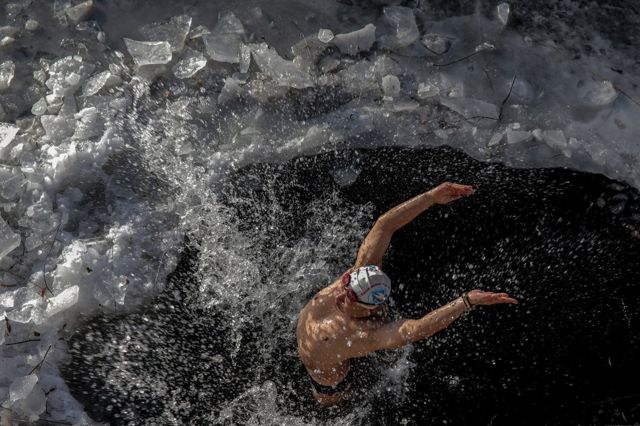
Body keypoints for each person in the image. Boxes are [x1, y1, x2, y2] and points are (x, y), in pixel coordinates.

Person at [296, 182, 519, 406]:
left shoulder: (364, 334)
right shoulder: (361, 271)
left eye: (351, 297)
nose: (339, 295)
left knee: (330, 398)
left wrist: (467, 301)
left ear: (369, 308)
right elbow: (385, 225)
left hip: (327, 374)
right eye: (346, 283)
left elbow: (417, 329)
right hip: (316, 354)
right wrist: (431, 196)